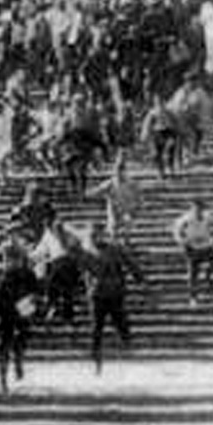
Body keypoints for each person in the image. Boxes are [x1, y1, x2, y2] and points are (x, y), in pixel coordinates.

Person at [80, 225, 146, 374]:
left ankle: (127, 349)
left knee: (121, 323)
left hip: (115, 292)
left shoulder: (115, 249)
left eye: (98, 234)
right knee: (96, 328)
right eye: (93, 235)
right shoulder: (87, 253)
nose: (96, 238)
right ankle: (96, 360)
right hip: (97, 295)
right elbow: (83, 273)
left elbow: (130, 263)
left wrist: (139, 278)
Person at [0, 241, 41, 395]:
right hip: (3, 313)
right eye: (8, 258)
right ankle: (3, 379)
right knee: (2, 347)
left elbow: (35, 292)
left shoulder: (27, 274)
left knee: (21, 339)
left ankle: (18, 360)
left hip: (21, 310)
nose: (11, 261)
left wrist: (30, 309)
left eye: (15, 258)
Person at [172, 200, 213, 307]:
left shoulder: (207, 216)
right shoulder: (185, 219)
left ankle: (207, 275)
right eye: (196, 209)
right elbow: (176, 231)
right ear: (192, 209)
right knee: (193, 275)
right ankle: (193, 298)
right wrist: (182, 241)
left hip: (206, 247)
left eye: (200, 209)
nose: (198, 212)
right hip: (192, 249)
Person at [86, 156, 141, 244]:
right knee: (113, 226)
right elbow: (97, 191)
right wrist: (92, 192)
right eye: (117, 171)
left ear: (125, 171)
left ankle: (126, 241)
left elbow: (137, 198)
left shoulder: (131, 184)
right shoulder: (110, 183)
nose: (119, 173)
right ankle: (114, 242)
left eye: (122, 171)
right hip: (113, 210)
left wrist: (134, 206)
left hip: (125, 210)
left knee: (127, 221)